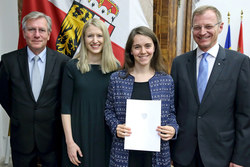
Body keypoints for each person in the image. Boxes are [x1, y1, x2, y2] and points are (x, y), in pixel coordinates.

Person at [170, 5, 250, 167]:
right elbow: (173, 108)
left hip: (221, 155)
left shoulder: (239, 62)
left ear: (220, 27)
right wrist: (170, 151)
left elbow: (245, 115)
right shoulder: (179, 63)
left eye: (208, 26)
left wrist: (240, 158)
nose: (202, 32)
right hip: (184, 155)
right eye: (197, 27)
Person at [0, 11, 70, 166]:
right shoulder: (8, 61)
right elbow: (3, 95)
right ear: (24, 33)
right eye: (32, 29)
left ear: (49, 33)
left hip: (52, 138)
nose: (37, 34)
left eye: (42, 30)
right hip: (22, 138)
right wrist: (20, 113)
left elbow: (65, 97)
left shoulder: (63, 62)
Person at [104, 26, 179, 167]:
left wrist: (173, 129)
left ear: (154, 48)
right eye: (137, 47)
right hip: (123, 153)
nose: (143, 51)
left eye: (147, 46)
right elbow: (108, 110)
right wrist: (116, 127)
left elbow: (171, 113)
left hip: (157, 155)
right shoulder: (117, 79)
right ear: (130, 51)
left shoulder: (166, 80)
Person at [61, 18, 120, 167]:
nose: (95, 40)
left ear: (105, 39)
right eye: (90, 36)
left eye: (99, 36)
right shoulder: (72, 67)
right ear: (84, 39)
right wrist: (70, 142)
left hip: (106, 135)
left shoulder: (116, 68)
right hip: (78, 134)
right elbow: (65, 108)